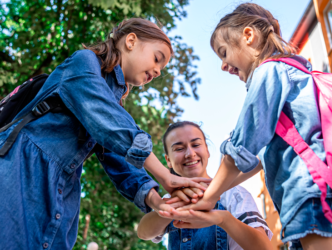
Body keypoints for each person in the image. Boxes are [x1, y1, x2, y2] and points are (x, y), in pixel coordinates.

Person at [0, 18, 208, 249]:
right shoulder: (83, 62)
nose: (158, 71)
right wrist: (165, 176)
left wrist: (158, 202)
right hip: (21, 172)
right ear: (131, 41)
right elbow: (105, 117)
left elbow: (122, 162)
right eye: (157, 58)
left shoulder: (113, 105)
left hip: (60, 191)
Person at [159, 4, 332, 250]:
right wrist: (209, 188)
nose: (223, 66)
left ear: (248, 36)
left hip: (311, 195)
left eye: (223, 52)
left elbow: (240, 151)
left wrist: (210, 198)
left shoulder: (268, 72)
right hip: (331, 189)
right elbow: (257, 159)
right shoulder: (296, 76)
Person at [137, 121, 272, 250]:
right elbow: (143, 232)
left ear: (207, 151)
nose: (190, 154)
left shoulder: (233, 194)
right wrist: (173, 207)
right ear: (168, 161)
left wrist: (223, 220)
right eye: (179, 148)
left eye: (195, 145)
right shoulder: (169, 199)